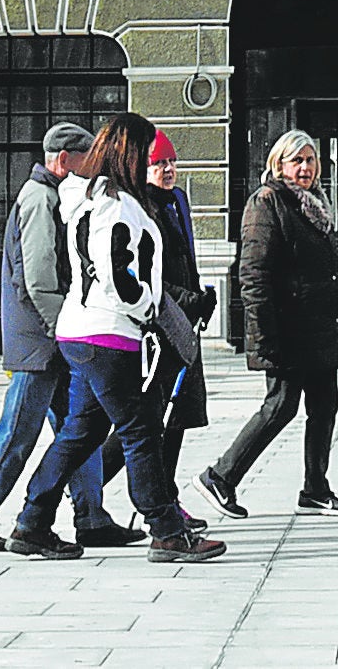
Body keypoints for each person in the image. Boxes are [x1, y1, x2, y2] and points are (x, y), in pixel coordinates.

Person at [13, 112, 225, 565]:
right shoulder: (118, 204)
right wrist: (147, 308)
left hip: (83, 327)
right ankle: (166, 531)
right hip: (109, 331)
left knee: (81, 431)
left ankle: (32, 521)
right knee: (140, 430)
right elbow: (119, 277)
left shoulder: (89, 196)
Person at [0, 123, 132, 553]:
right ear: (63, 160)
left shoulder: (57, 196)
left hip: (53, 338)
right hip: (39, 342)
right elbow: (37, 280)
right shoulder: (39, 199)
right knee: (18, 432)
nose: (93, 169)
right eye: (88, 161)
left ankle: (92, 517)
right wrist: (66, 329)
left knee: (80, 430)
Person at [203, 130, 338, 517]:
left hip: (318, 326)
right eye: (296, 161)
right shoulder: (267, 202)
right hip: (288, 328)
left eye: (310, 159)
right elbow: (254, 273)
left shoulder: (315, 204)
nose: (305, 167)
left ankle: (315, 489)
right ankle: (221, 476)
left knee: (325, 406)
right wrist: (263, 334)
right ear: (279, 164)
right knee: (281, 405)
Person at [134, 129, 213, 519]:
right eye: (158, 164)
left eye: (170, 162)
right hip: (157, 324)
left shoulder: (178, 200)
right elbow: (147, 273)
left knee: (178, 414)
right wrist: (184, 299)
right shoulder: (139, 206)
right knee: (149, 418)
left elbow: (187, 257)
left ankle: (169, 496)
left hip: (185, 323)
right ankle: (88, 483)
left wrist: (200, 298)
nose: (167, 170)